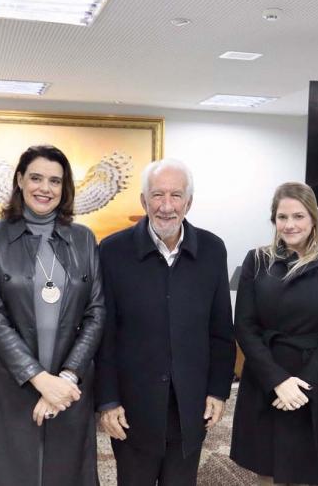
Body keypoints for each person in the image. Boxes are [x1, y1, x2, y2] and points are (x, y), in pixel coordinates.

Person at [0, 145, 105, 486]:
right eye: (36, 178)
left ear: (65, 188)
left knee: (64, 473)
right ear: (20, 181)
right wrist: (39, 378)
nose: (45, 188)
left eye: (55, 181)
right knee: (6, 473)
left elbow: (97, 312)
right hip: (8, 382)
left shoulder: (83, 238)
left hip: (70, 384)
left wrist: (66, 379)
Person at [96, 158, 235, 486]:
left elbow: (220, 330)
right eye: (158, 195)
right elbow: (104, 333)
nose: (167, 206)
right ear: (144, 201)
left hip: (190, 404)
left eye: (176, 196)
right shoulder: (112, 251)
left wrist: (218, 390)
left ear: (189, 202)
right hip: (133, 407)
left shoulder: (213, 250)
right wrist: (107, 400)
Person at [230, 182, 318, 485]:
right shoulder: (257, 260)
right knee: (267, 471)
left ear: (313, 218)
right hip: (267, 380)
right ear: (273, 220)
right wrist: (277, 381)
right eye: (282, 217)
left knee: (311, 474)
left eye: (298, 216)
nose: (290, 225)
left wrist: (302, 387)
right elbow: (245, 328)